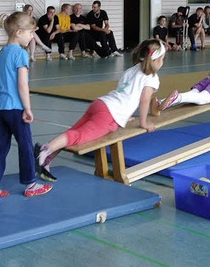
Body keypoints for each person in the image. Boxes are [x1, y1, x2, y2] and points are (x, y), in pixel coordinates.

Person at [34, 39, 165, 181]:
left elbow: (123, 92)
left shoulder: (131, 70)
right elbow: (144, 100)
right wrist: (143, 122)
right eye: (163, 59)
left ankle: (46, 162)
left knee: (73, 131)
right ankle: (44, 151)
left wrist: (125, 116)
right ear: (156, 60)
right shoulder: (151, 77)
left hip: (100, 103)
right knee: (78, 137)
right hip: (108, 114)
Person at [0, 11, 53, 198]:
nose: (32, 37)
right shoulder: (20, 54)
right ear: (19, 32)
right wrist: (27, 109)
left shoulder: (1, 53)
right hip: (15, 108)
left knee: (1, 146)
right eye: (30, 33)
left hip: (0, 107)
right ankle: (31, 184)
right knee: (25, 145)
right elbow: (22, 84)